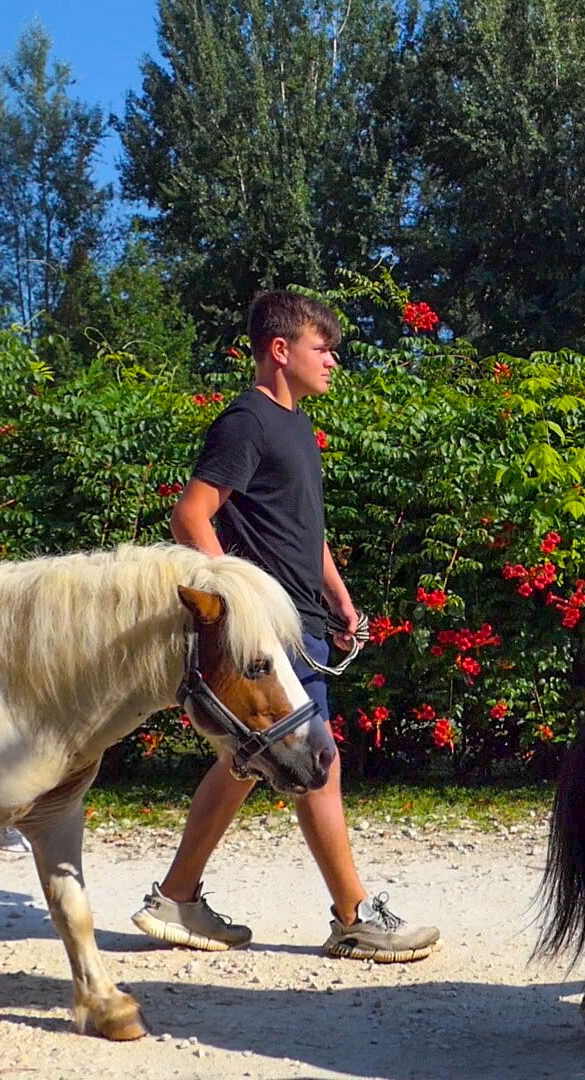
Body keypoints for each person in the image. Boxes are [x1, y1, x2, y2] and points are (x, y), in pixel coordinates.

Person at [133, 290, 441, 962]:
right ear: (280, 350)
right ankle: (355, 916)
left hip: (304, 617)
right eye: (321, 347)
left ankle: (177, 897)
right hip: (273, 626)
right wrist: (240, 606)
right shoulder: (247, 421)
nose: (332, 360)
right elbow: (190, 515)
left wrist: (341, 598)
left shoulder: (295, 427)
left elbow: (305, 532)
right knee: (317, 757)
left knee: (245, 761)